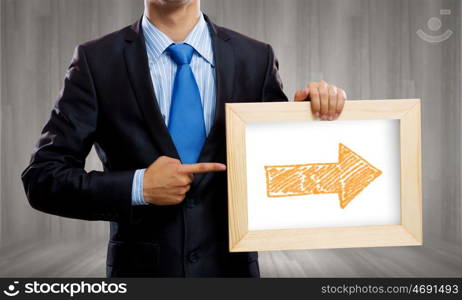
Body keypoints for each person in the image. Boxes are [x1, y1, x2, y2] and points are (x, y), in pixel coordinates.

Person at [21, 0, 347, 277]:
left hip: (232, 273)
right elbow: (42, 178)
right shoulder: (96, 61)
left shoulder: (256, 57)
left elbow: (280, 172)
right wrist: (138, 187)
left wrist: (310, 122)